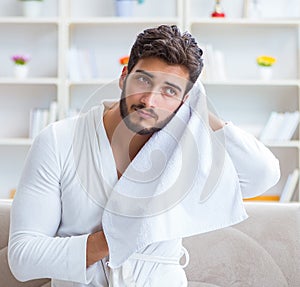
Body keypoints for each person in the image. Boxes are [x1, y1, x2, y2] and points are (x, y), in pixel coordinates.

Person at [8, 25, 280, 287]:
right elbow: (23, 258)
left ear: (185, 102)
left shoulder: (184, 149)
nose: (150, 101)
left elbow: (263, 175)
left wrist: (199, 111)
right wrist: (118, 237)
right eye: (143, 80)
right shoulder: (59, 141)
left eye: (169, 91)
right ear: (124, 76)